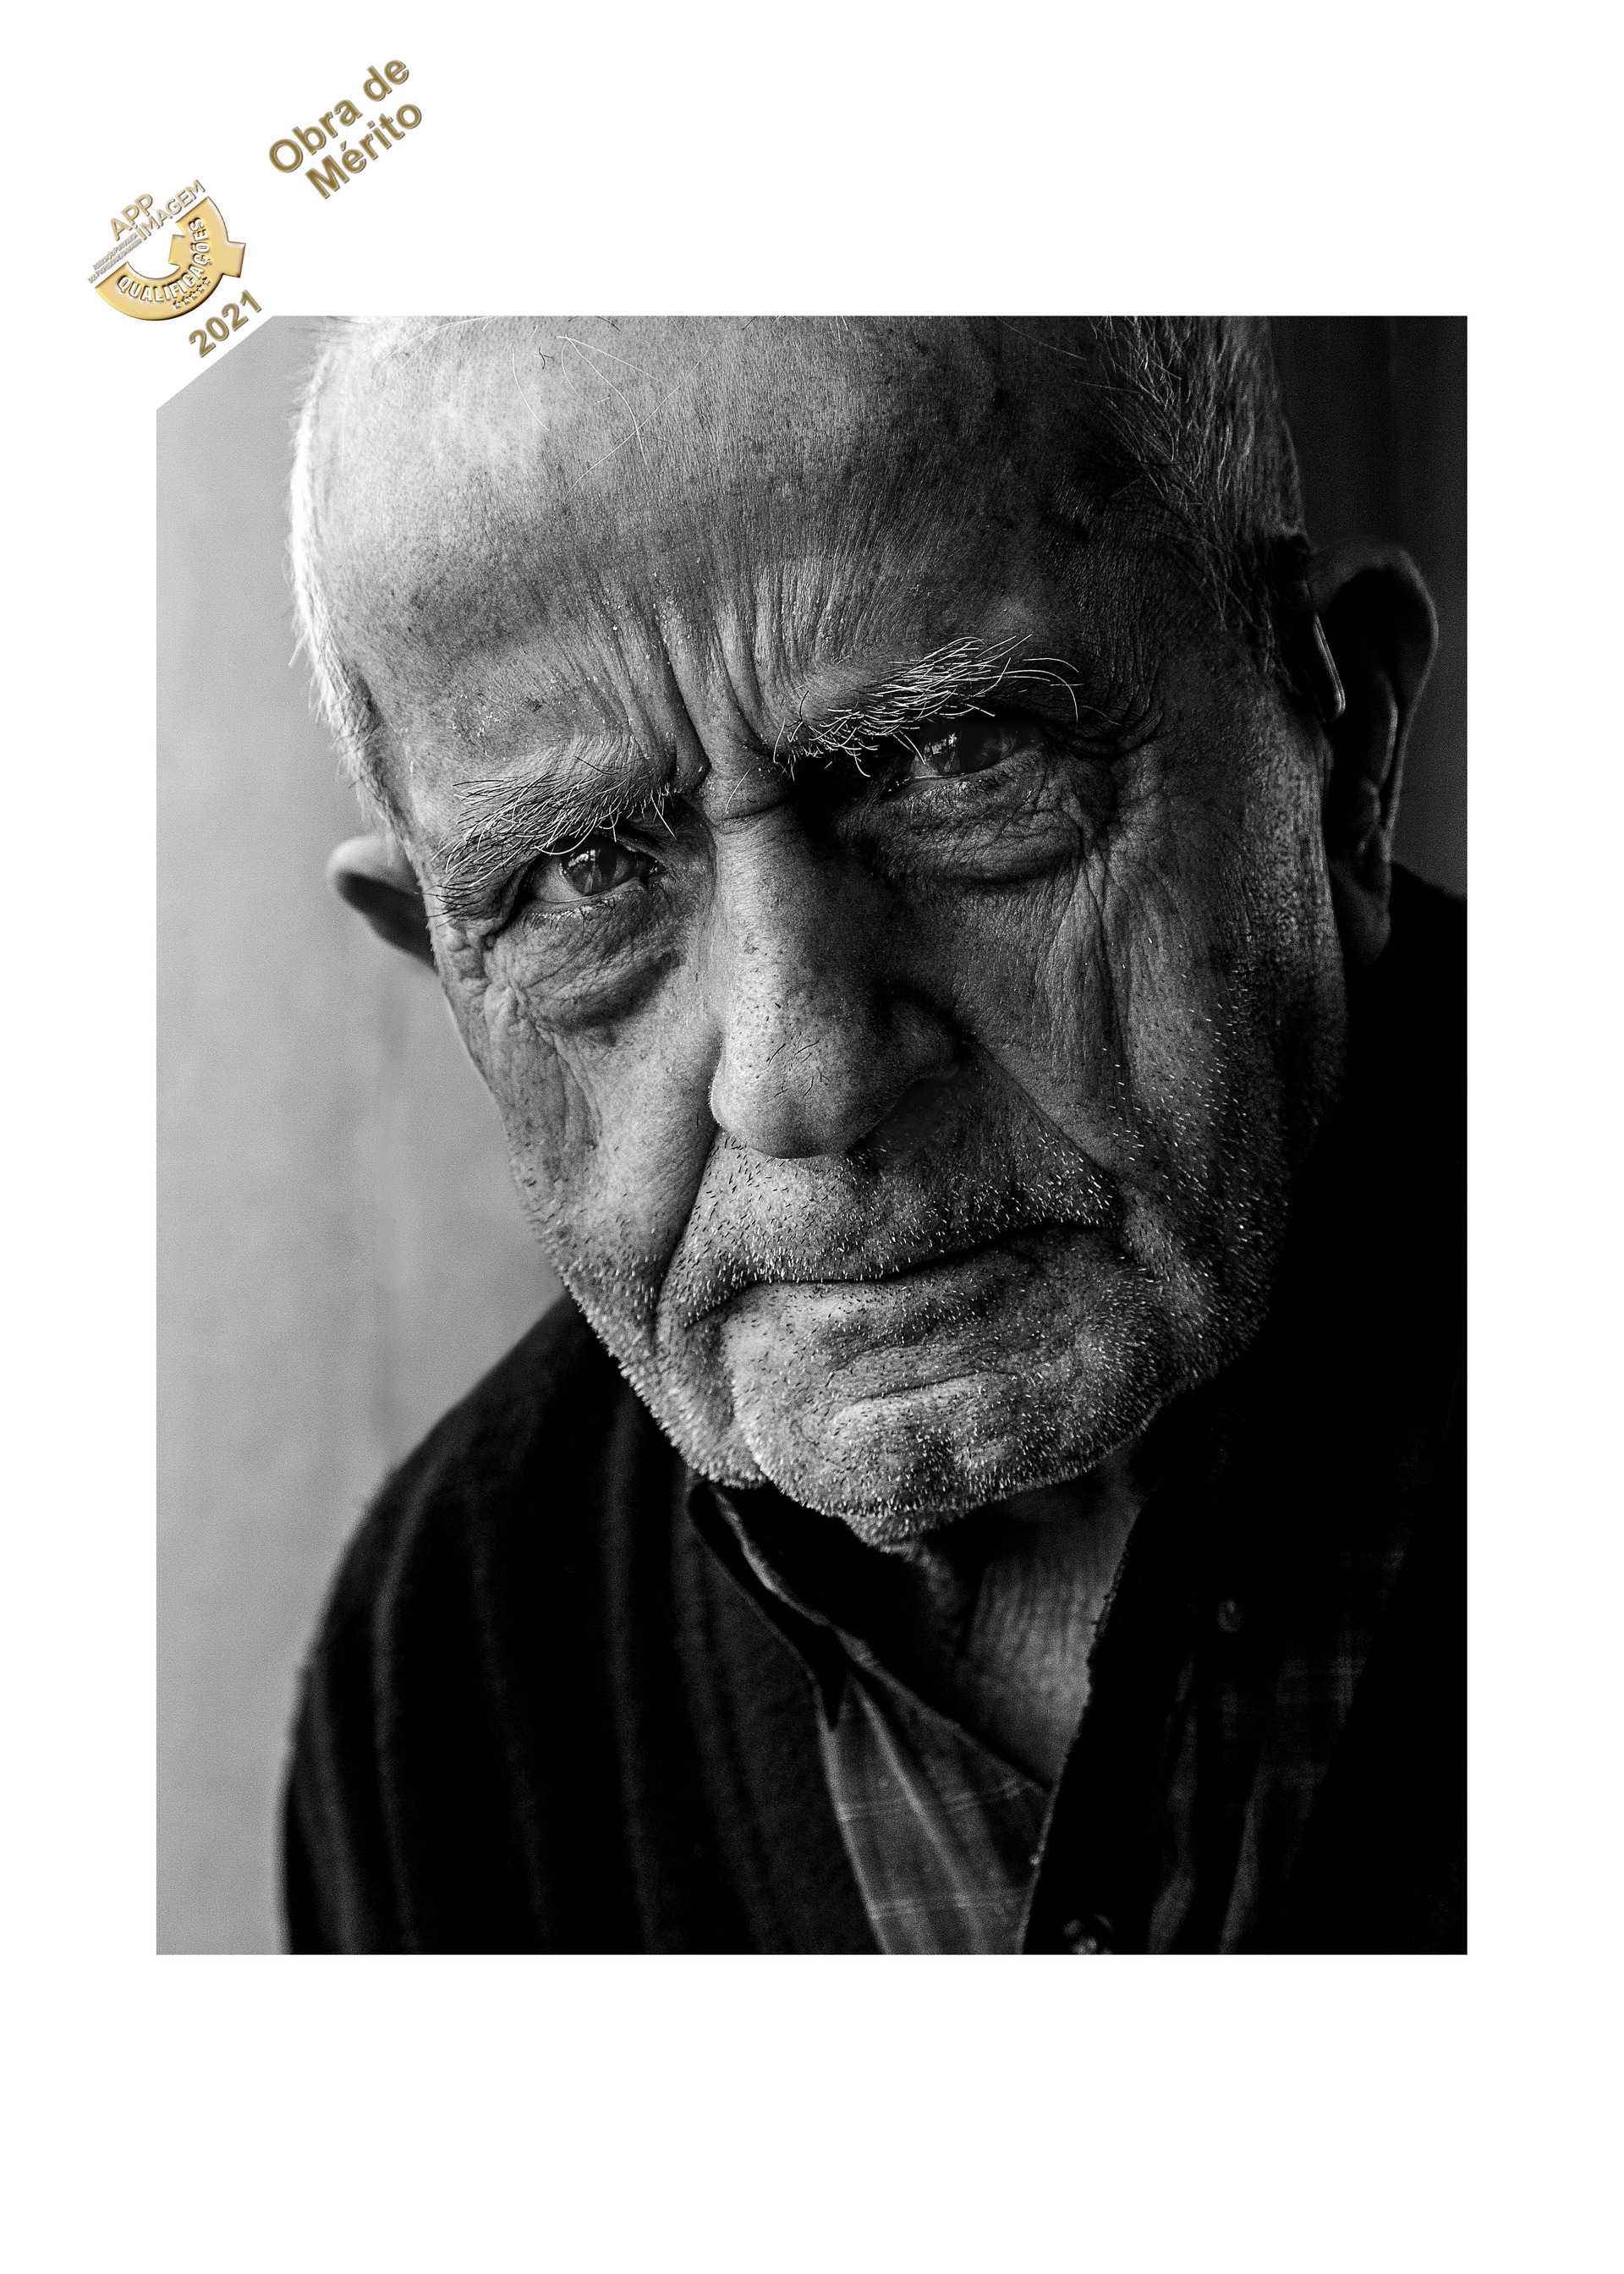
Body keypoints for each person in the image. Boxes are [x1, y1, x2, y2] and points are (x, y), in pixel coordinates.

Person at [282, 317, 1463, 1954]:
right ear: (444, 966)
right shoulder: (455, 1662)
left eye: (954, 757)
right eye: (583, 873)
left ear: (1343, 759)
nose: (801, 1078)